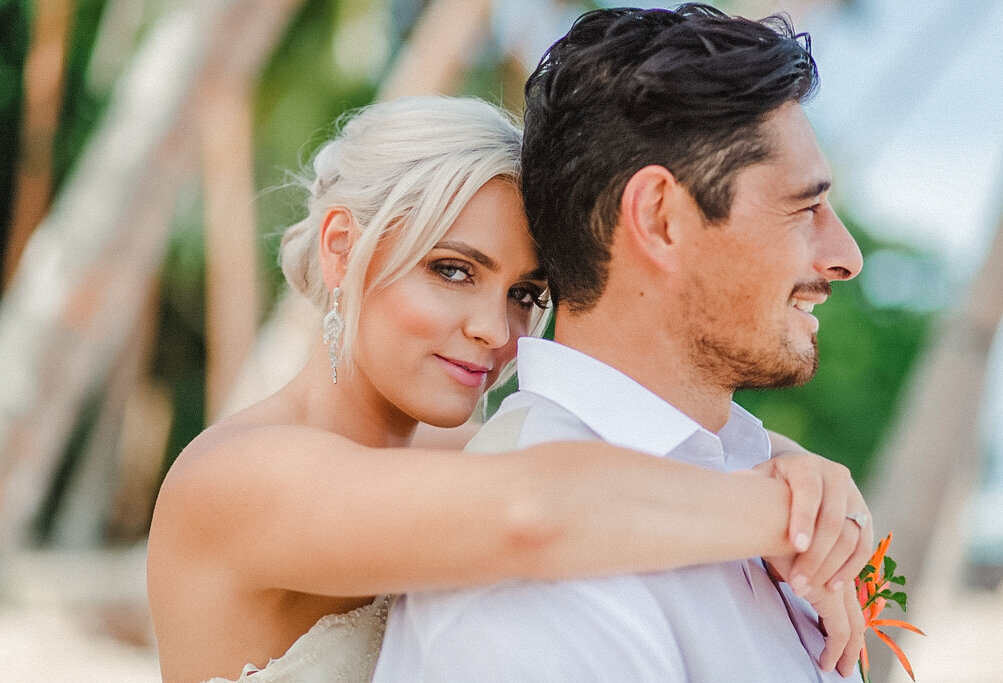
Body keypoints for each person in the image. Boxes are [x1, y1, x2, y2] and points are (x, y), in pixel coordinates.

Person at [147, 96, 870, 683]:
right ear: (342, 249)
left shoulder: (458, 450)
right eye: (453, 270)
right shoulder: (232, 479)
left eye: (526, 292)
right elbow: (536, 509)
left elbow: (635, 445)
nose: (497, 330)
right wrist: (786, 517)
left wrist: (808, 472)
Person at [372, 5, 869, 682]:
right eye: (804, 207)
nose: (846, 257)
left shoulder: (760, 485)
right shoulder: (527, 598)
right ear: (660, 219)